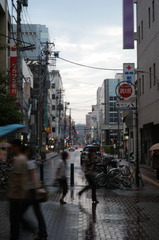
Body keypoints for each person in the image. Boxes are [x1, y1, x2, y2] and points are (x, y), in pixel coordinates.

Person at [22, 146, 48, 240]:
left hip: (31, 192)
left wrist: (37, 189)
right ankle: (42, 233)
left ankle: (33, 229)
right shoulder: (31, 162)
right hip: (32, 191)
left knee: (19, 213)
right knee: (38, 213)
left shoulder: (29, 163)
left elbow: (34, 177)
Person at [7, 139, 28, 240]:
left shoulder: (20, 160)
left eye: (13, 147)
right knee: (16, 218)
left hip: (16, 195)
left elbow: (19, 179)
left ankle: (15, 236)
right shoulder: (21, 158)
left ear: (17, 147)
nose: (11, 149)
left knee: (14, 219)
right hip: (17, 195)